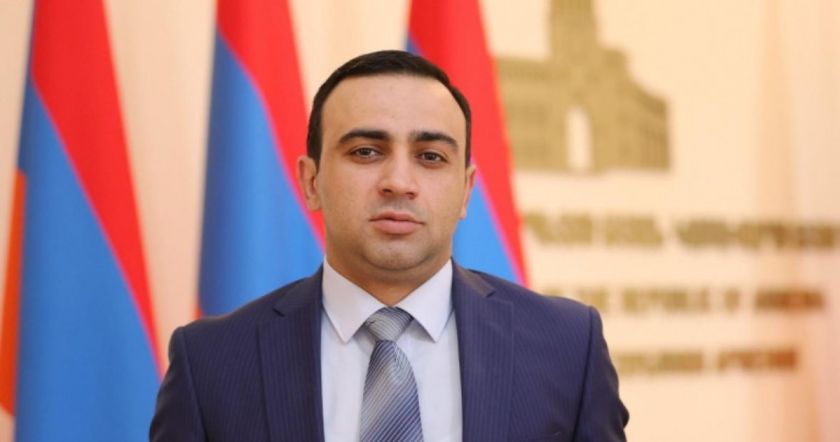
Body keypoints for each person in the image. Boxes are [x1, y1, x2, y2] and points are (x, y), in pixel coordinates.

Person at [150, 50, 628, 441]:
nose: (399, 181)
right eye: (366, 152)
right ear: (311, 182)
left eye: (431, 157)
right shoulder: (210, 362)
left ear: (466, 191)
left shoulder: (569, 348)